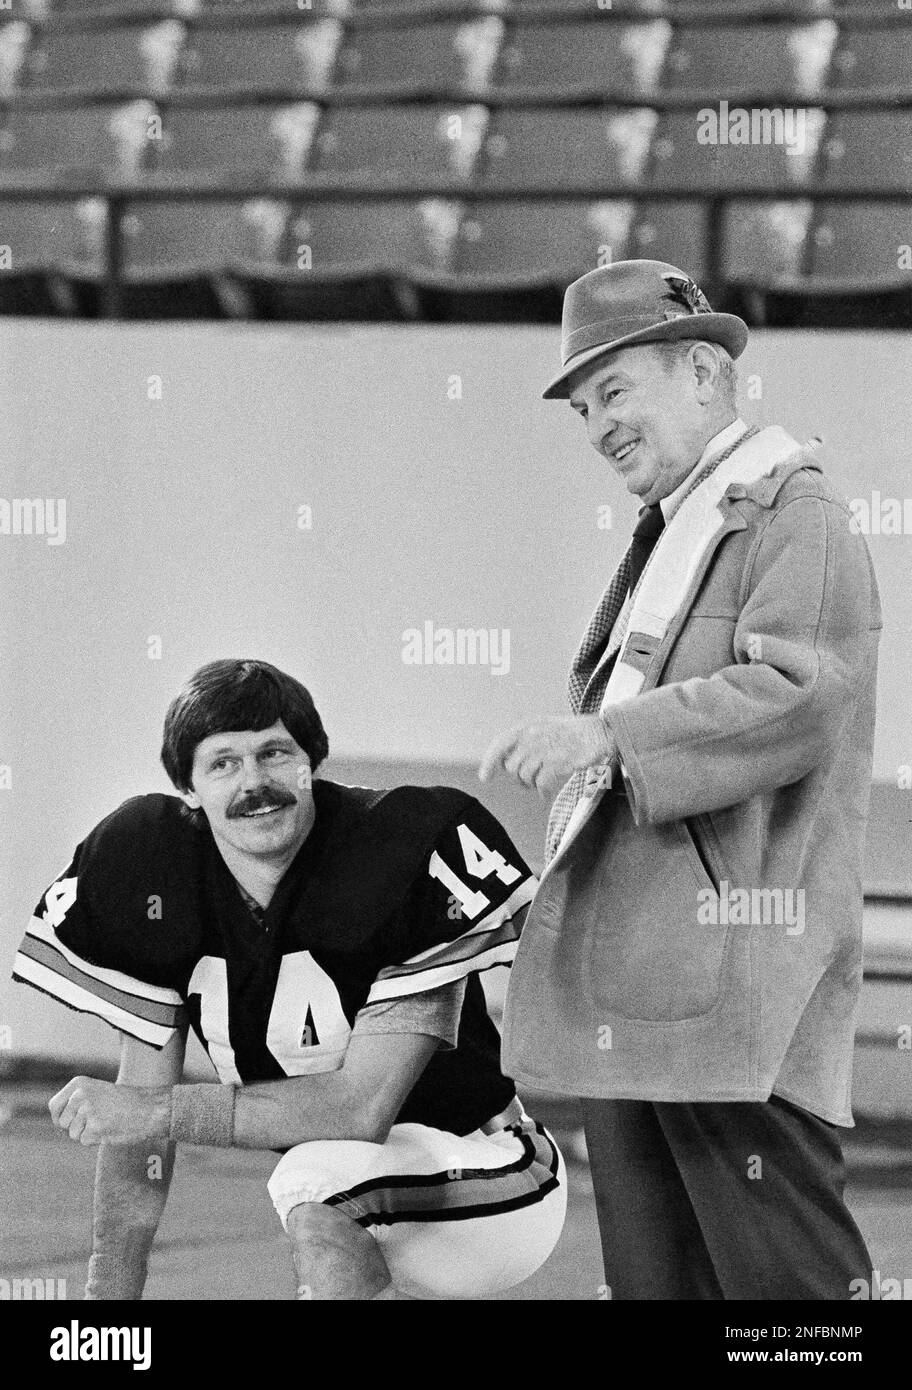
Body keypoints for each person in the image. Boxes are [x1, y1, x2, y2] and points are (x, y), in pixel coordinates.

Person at [480, 259, 882, 1300]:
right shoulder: (681, 528)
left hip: (737, 987)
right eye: (581, 407)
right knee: (660, 1290)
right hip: (648, 996)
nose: (597, 425)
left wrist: (610, 741)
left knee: (789, 1300)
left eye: (613, 390)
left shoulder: (798, 516)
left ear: (704, 370)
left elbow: (802, 696)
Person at [13, 658, 565, 1300]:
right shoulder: (154, 875)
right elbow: (141, 1124)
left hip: (492, 1174)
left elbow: (360, 1109)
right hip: (356, 1197)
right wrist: (108, 1304)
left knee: (313, 1177)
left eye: (274, 753)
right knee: (316, 1184)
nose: (254, 782)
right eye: (222, 763)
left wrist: (153, 1110)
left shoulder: (399, 848)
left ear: (313, 761)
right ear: (188, 788)